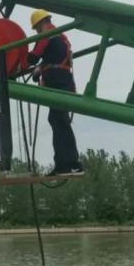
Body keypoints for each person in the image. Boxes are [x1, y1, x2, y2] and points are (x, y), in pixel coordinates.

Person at [28, 9, 83, 176]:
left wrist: (18, 54)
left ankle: (69, 164)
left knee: (59, 121)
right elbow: (52, 58)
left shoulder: (46, 35)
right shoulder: (59, 35)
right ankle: (67, 163)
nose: (37, 32)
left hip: (58, 83)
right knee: (59, 120)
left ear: (39, 24)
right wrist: (40, 69)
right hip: (64, 82)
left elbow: (33, 57)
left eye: (36, 28)